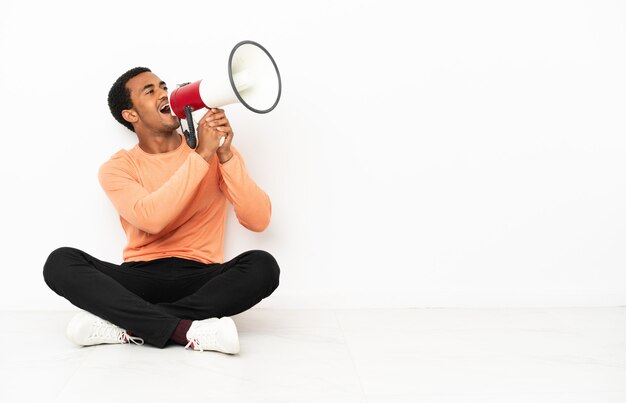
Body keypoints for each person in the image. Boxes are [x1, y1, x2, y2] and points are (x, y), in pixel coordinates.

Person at [43, 67, 280, 354]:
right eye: (150, 91)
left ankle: (129, 325)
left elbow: (259, 220)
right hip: (137, 280)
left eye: (163, 87)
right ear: (130, 115)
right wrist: (202, 155)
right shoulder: (118, 168)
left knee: (263, 266)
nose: (164, 94)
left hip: (201, 278)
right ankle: (187, 329)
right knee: (60, 262)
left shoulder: (217, 153)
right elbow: (152, 219)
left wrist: (225, 156)